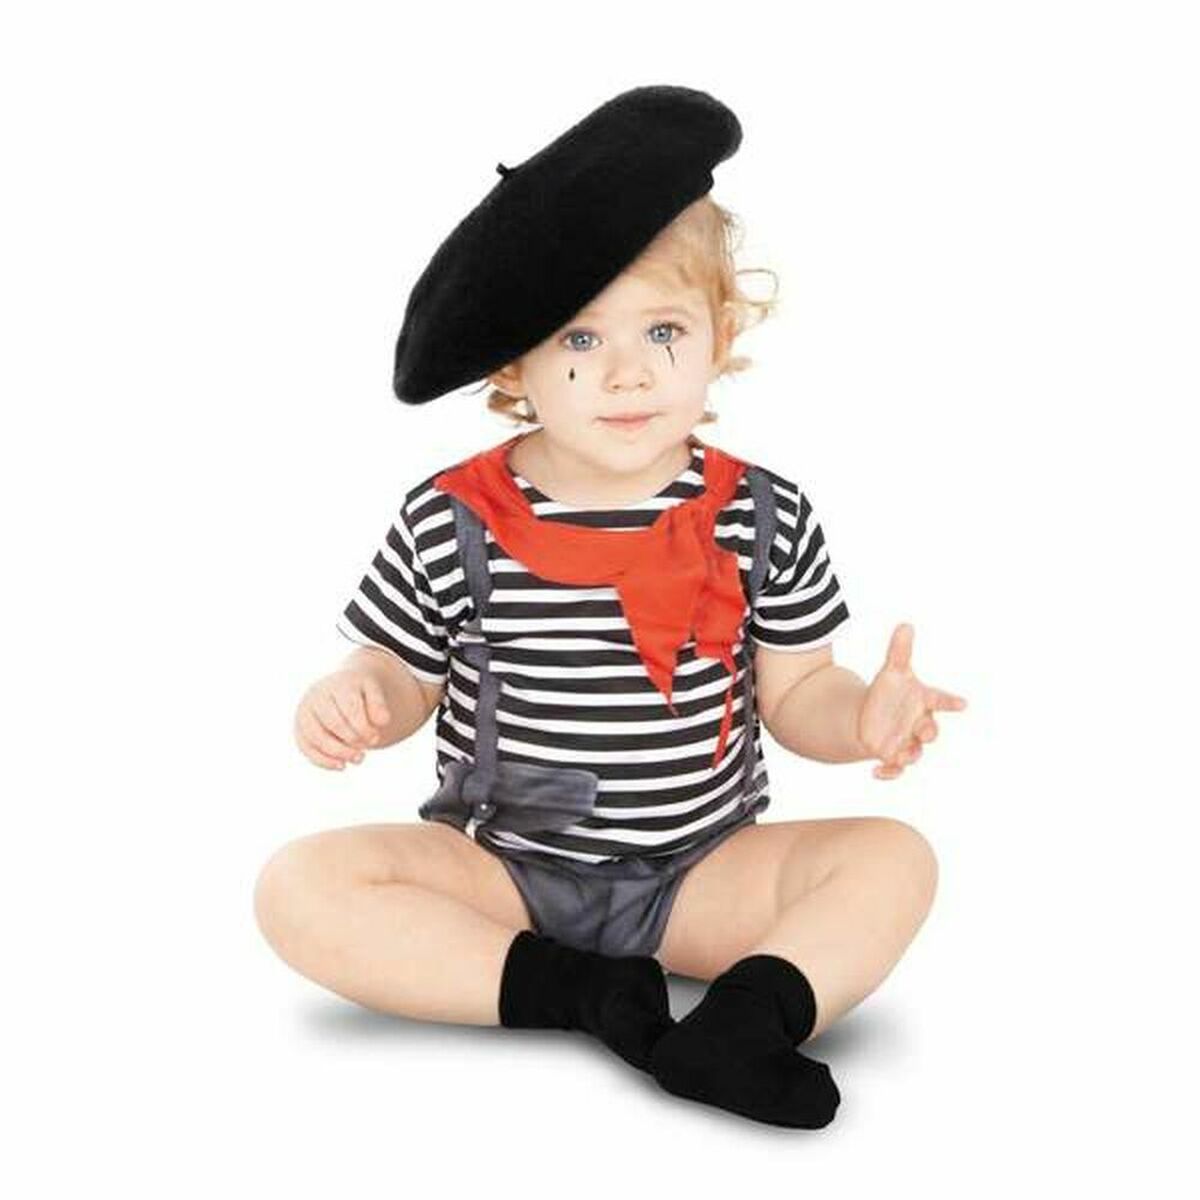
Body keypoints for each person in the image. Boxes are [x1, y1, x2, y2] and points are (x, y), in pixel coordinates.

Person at [253, 85, 966, 1130]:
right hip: (501, 872)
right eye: (579, 341)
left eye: (664, 330)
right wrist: (359, 693)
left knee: (895, 859)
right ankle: (580, 992)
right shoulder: (453, 517)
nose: (627, 374)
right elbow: (403, 676)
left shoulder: (761, 515)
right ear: (516, 362)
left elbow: (797, 693)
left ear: (720, 336)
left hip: (702, 875)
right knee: (299, 888)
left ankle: (748, 1019)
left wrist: (862, 718)